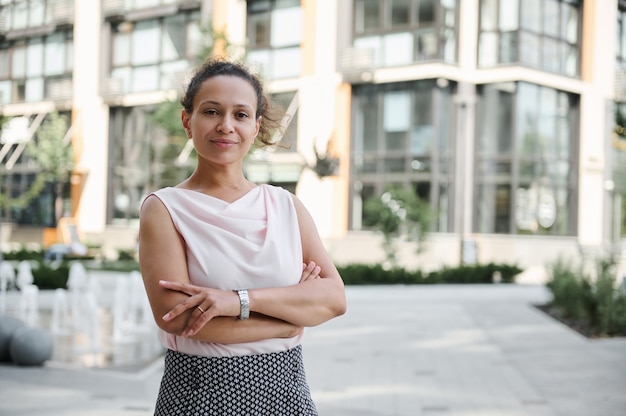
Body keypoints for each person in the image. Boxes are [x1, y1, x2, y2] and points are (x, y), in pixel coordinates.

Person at [138, 57, 347, 415]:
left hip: (288, 396)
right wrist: (291, 317)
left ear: (256, 126)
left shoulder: (285, 206)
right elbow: (181, 319)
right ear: (188, 121)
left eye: (240, 114)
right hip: (200, 397)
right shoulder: (164, 208)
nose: (225, 126)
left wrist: (235, 302)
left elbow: (333, 299)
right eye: (211, 111)